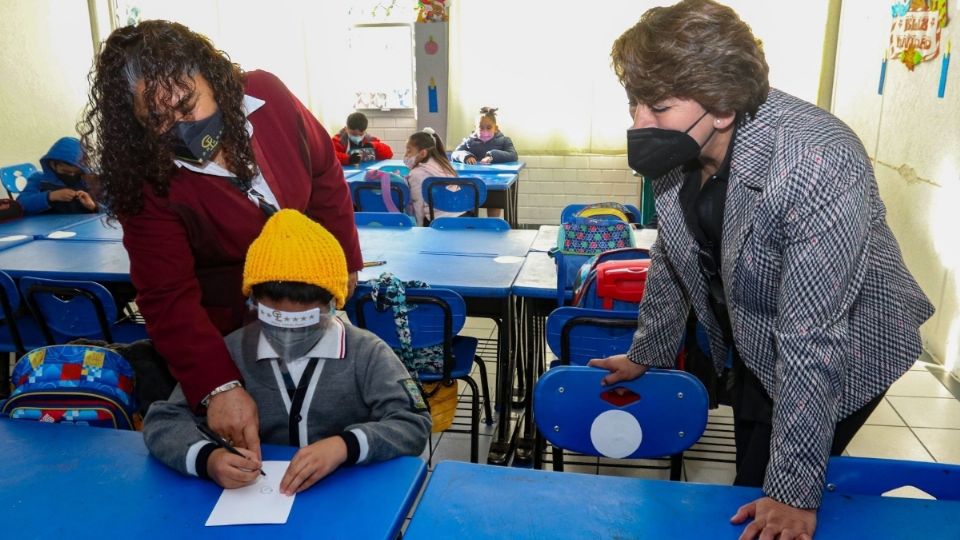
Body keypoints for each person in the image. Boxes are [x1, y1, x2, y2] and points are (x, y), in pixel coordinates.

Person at [587, 2, 934, 539]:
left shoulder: (816, 160)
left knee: (768, 499)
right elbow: (673, 255)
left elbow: (812, 336)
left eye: (657, 107)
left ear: (722, 108)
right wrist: (647, 354)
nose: (639, 123)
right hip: (754, 334)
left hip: (847, 344)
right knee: (748, 483)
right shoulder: (686, 143)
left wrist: (793, 494)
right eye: (633, 103)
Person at [79, 20, 362, 460]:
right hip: (233, 334)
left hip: (314, 304)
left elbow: (324, 170)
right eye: (157, 119)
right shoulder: (147, 184)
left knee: (329, 431)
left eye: (187, 104)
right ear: (137, 125)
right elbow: (166, 295)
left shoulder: (270, 99)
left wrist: (342, 261)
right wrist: (218, 386)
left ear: (212, 77)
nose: (179, 125)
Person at [143, 209, 430, 494]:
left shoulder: (367, 353)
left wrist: (345, 445)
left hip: (345, 498)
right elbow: (162, 422)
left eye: (306, 322)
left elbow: (413, 423)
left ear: (334, 303)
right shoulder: (228, 353)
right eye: (275, 320)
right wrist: (208, 459)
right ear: (253, 302)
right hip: (254, 501)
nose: (290, 337)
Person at [451, 106, 517, 218]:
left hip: (496, 183)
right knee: (469, 207)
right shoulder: (469, 142)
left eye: (489, 128)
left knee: (494, 206)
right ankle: (471, 227)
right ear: (475, 128)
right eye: (481, 128)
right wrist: (466, 156)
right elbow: (455, 154)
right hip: (473, 183)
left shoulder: (504, 141)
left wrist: (492, 155)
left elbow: (513, 155)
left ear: (496, 128)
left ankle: (493, 226)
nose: (484, 131)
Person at [18, 137, 99, 214]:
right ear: (52, 164)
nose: (72, 175)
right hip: (47, 227)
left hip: (84, 226)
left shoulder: (88, 181)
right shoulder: (39, 179)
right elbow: (20, 205)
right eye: (66, 171)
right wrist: (50, 196)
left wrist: (93, 207)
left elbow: (108, 210)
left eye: (76, 172)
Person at [404, 127, 460, 226]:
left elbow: (418, 205)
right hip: (461, 216)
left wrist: (419, 229)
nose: (406, 155)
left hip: (438, 222)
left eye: (409, 151)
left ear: (422, 153)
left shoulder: (417, 173)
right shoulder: (444, 164)